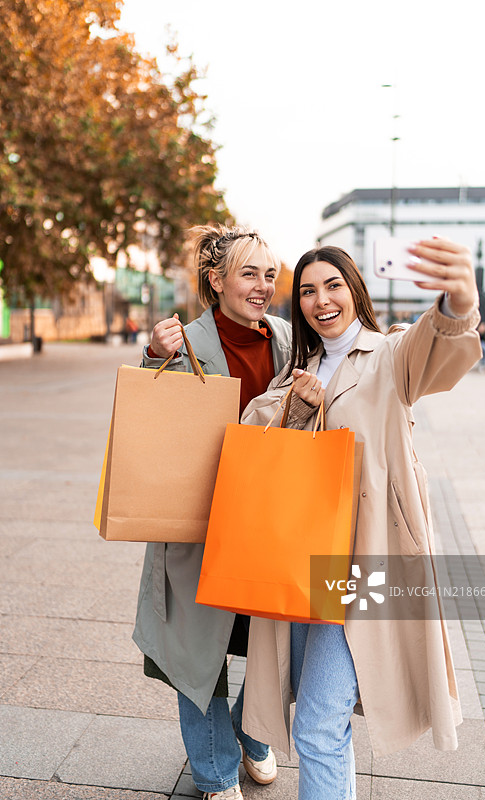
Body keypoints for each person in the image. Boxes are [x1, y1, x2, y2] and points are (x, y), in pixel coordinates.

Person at [240, 237, 481, 799]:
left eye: (333, 286)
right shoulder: (296, 370)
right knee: (327, 725)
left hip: (368, 564)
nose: (321, 300)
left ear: (355, 290)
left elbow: (437, 346)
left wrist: (459, 303)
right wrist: (298, 407)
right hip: (307, 564)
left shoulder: (390, 354)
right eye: (307, 291)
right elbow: (257, 440)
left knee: (319, 725)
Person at [132, 224, 291, 800]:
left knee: (284, 644)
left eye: (269, 274)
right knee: (199, 654)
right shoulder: (187, 342)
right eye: (249, 273)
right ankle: (216, 772)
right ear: (216, 280)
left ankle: (251, 731)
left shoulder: (287, 337)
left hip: (270, 520)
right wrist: (154, 355)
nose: (262, 285)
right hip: (203, 523)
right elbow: (149, 416)